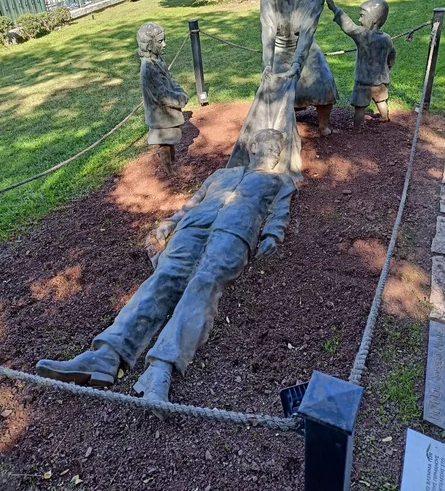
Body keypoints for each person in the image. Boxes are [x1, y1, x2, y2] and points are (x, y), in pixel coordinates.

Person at [36, 129, 296, 403]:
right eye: (269, 145)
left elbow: (280, 212)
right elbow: (193, 202)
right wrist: (169, 223)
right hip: (192, 228)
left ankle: (161, 366)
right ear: (253, 146)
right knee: (164, 277)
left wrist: (271, 235)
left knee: (205, 282)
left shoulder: (281, 181)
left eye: (278, 149)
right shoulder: (221, 175)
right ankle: (107, 355)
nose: (274, 152)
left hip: (235, 233)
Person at [260, 0, 338, 136]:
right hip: (280, 47)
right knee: (275, 87)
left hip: (306, 47)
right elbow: (268, 31)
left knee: (323, 81)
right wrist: (267, 64)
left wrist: (297, 63)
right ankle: (283, 121)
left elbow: (307, 31)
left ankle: (323, 125)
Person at [326, 0, 396, 129]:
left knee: (360, 107)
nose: (359, 20)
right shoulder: (387, 39)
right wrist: (388, 68)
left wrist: (335, 9)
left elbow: (348, 26)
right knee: (381, 100)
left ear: (374, 19)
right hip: (380, 81)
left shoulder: (363, 35)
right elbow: (392, 56)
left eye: (362, 16)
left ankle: (357, 127)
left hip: (363, 82)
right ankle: (384, 117)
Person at [137, 22, 188, 173]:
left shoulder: (158, 60)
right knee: (164, 142)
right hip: (159, 114)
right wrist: (179, 99)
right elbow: (162, 95)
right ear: (149, 44)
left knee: (170, 139)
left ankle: (173, 163)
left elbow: (170, 79)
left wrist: (180, 92)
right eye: (160, 42)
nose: (164, 44)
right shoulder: (148, 68)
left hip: (167, 113)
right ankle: (169, 170)